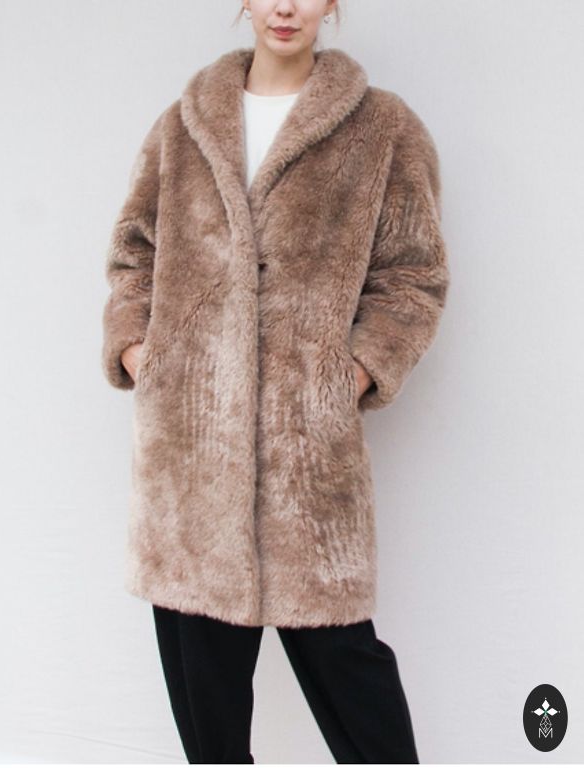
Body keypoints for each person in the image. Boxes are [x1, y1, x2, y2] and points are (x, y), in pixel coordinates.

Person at [102, 0, 450, 763]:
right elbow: (134, 254)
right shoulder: (184, 126)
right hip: (190, 473)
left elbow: (413, 276)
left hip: (307, 474)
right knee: (212, 739)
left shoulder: (383, 130)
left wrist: (350, 374)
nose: (285, 6)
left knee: (358, 697)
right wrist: (139, 352)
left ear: (331, 4)